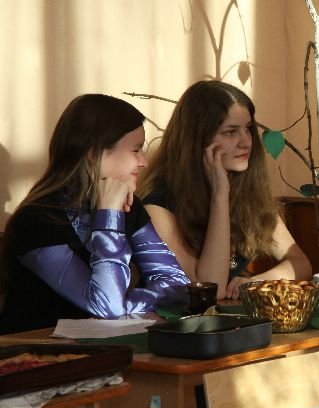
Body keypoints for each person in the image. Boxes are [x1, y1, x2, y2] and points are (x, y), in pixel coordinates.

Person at [0, 94, 189, 335]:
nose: (143, 161)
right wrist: (108, 216)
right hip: (35, 349)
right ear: (94, 153)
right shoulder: (36, 220)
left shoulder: (129, 207)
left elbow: (178, 285)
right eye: (136, 150)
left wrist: (126, 303)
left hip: (103, 346)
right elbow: (107, 307)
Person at [137, 80, 311, 300]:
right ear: (197, 140)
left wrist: (258, 282)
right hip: (173, 319)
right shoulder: (157, 207)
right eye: (230, 132)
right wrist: (220, 195)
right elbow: (211, 289)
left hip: (226, 317)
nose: (246, 142)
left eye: (247, 129)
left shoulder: (247, 192)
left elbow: (300, 263)